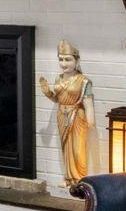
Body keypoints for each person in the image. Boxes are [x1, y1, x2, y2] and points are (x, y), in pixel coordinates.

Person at [38, 39, 97, 188]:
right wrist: (46, 92)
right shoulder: (58, 78)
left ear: (76, 60)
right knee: (66, 149)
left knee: (78, 150)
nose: (64, 63)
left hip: (77, 116)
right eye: (61, 59)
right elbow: (57, 99)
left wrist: (91, 123)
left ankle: (80, 180)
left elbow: (88, 105)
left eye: (68, 60)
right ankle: (69, 178)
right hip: (62, 115)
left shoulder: (84, 81)